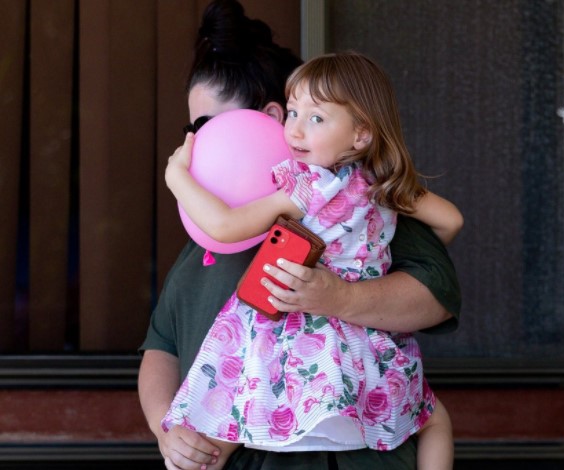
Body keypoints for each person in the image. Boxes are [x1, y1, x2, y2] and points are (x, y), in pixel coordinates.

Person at [137, 2, 461, 469]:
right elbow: (162, 343)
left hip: (344, 440)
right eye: (192, 128)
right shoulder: (203, 239)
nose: (194, 143)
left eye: (208, 127)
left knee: (429, 416)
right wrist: (165, 428)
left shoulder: (340, 196)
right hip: (238, 439)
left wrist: (341, 296)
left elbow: (435, 292)